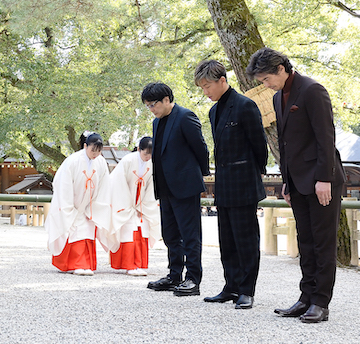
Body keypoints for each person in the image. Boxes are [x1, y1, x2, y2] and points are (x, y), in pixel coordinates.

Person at [246, 48, 345, 323]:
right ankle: (305, 297)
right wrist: (286, 182)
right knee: (306, 240)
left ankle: (321, 302)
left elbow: (326, 137)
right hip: (297, 180)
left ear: (280, 68)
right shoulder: (278, 97)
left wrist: (324, 179)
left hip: (322, 178)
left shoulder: (313, 90)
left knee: (323, 241)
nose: (265, 85)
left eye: (266, 79)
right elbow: (285, 144)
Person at [195, 59, 268, 310]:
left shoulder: (246, 105)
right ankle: (231, 286)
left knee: (246, 238)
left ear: (222, 81)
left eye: (208, 86)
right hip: (224, 183)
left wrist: (253, 174)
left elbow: (260, 146)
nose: (206, 92)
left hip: (244, 181)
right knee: (227, 238)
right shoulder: (214, 111)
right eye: (202, 88)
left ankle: (247, 290)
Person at [142, 83, 210, 296]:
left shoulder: (185, 116)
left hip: (185, 184)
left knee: (190, 234)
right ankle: (174, 275)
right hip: (164, 187)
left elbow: (201, 148)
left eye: (153, 104)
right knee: (170, 234)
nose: (152, 109)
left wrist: (200, 174)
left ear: (166, 99)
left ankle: (193, 278)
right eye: (148, 106)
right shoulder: (156, 122)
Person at [45, 133, 111, 275]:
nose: (96, 154)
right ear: (85, 146)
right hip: (72, 205)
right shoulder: (73, 161)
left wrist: (95, 205)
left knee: (86, 233)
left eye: (99, 151)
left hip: (89, 206)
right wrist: (69, 207)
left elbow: (104, 185)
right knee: (74, 232)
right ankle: (75, 265)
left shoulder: (100, 162)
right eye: (93, 150)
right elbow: (63, 184)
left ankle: (86, 264)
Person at [104, 137, 161, 276]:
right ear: (138, 149)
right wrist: (128, 204)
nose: (148, 157)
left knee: (143, 230)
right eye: (145, 153)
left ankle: (139, 264)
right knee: (128, 231)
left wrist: (144, 206)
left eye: (150, 154)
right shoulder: (128, 161)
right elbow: (118, 183)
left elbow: (150, 187)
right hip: (125, 202)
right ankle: (129, 265)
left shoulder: (152, 164)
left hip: (141, 204)